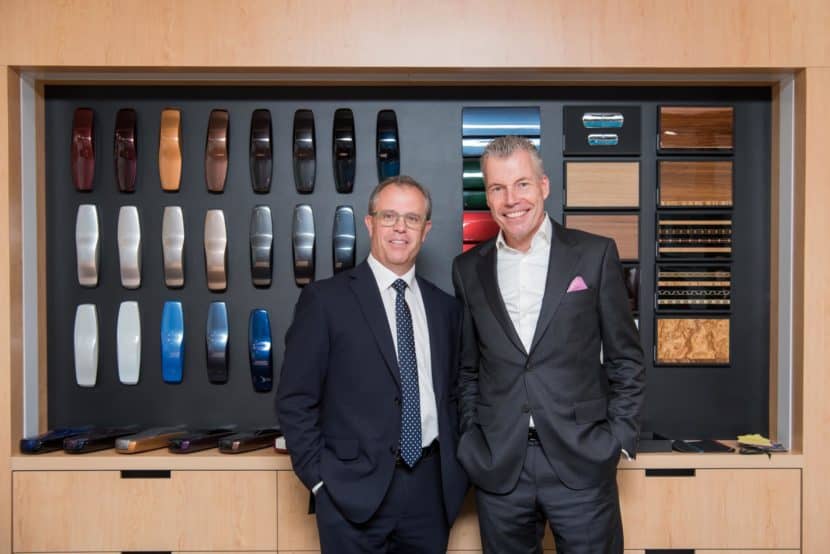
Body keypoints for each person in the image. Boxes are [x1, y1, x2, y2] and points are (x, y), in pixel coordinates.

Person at [452, 136, 645, 553]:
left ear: (543, 186)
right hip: (500, 465)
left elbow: (626, 358)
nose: (511, 199)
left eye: (521, 184)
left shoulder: (593, 254)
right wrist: (471, 438)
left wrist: (617, 438)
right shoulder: (468, 269)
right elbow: (468, 368)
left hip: (582, 461)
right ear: (487, 196)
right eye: (498, 188)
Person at [277, 175, 468, 553]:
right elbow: (295, 399)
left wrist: (457, 472)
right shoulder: (325, 301)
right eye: (389, 216)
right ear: (370, 223)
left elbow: (457, 394)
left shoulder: (445, 308)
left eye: (412, 219)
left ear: (426, 230)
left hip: (430, 493)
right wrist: (320, 481)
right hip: (350, 493)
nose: (400, 228)